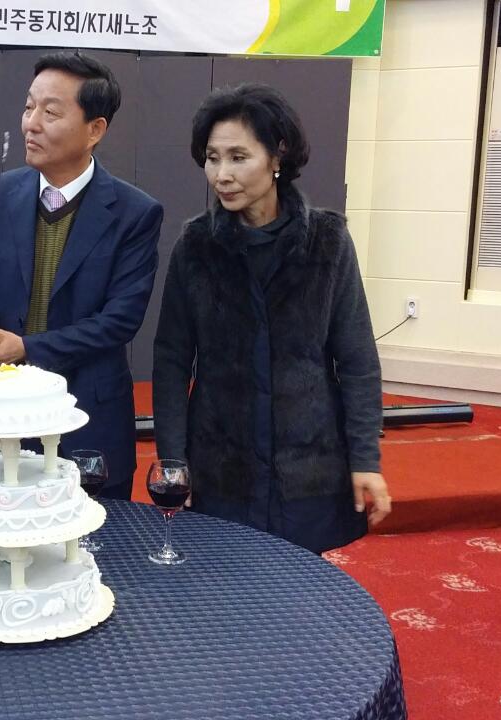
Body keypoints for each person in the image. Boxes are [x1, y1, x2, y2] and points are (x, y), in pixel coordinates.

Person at [151, 83, 391, 554]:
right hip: (222, 466)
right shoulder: (195, 246)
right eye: (212, 158)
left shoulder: (328, 241)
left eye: (238, 157)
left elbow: (358, 360)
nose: (222, 175)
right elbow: (172, 362)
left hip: (308, 467)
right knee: (221, 581)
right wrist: (173, 460)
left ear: (278, 155)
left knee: (300, 587)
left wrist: (366, 457)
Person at [0, 52, 163, 498]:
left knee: (94, 538)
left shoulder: (135, 212)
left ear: (95, 130)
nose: (31, 123)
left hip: (88, 423)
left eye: (50, 112)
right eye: (28, 107)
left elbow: (119, 321)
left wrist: (26, 348)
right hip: (0, 418)